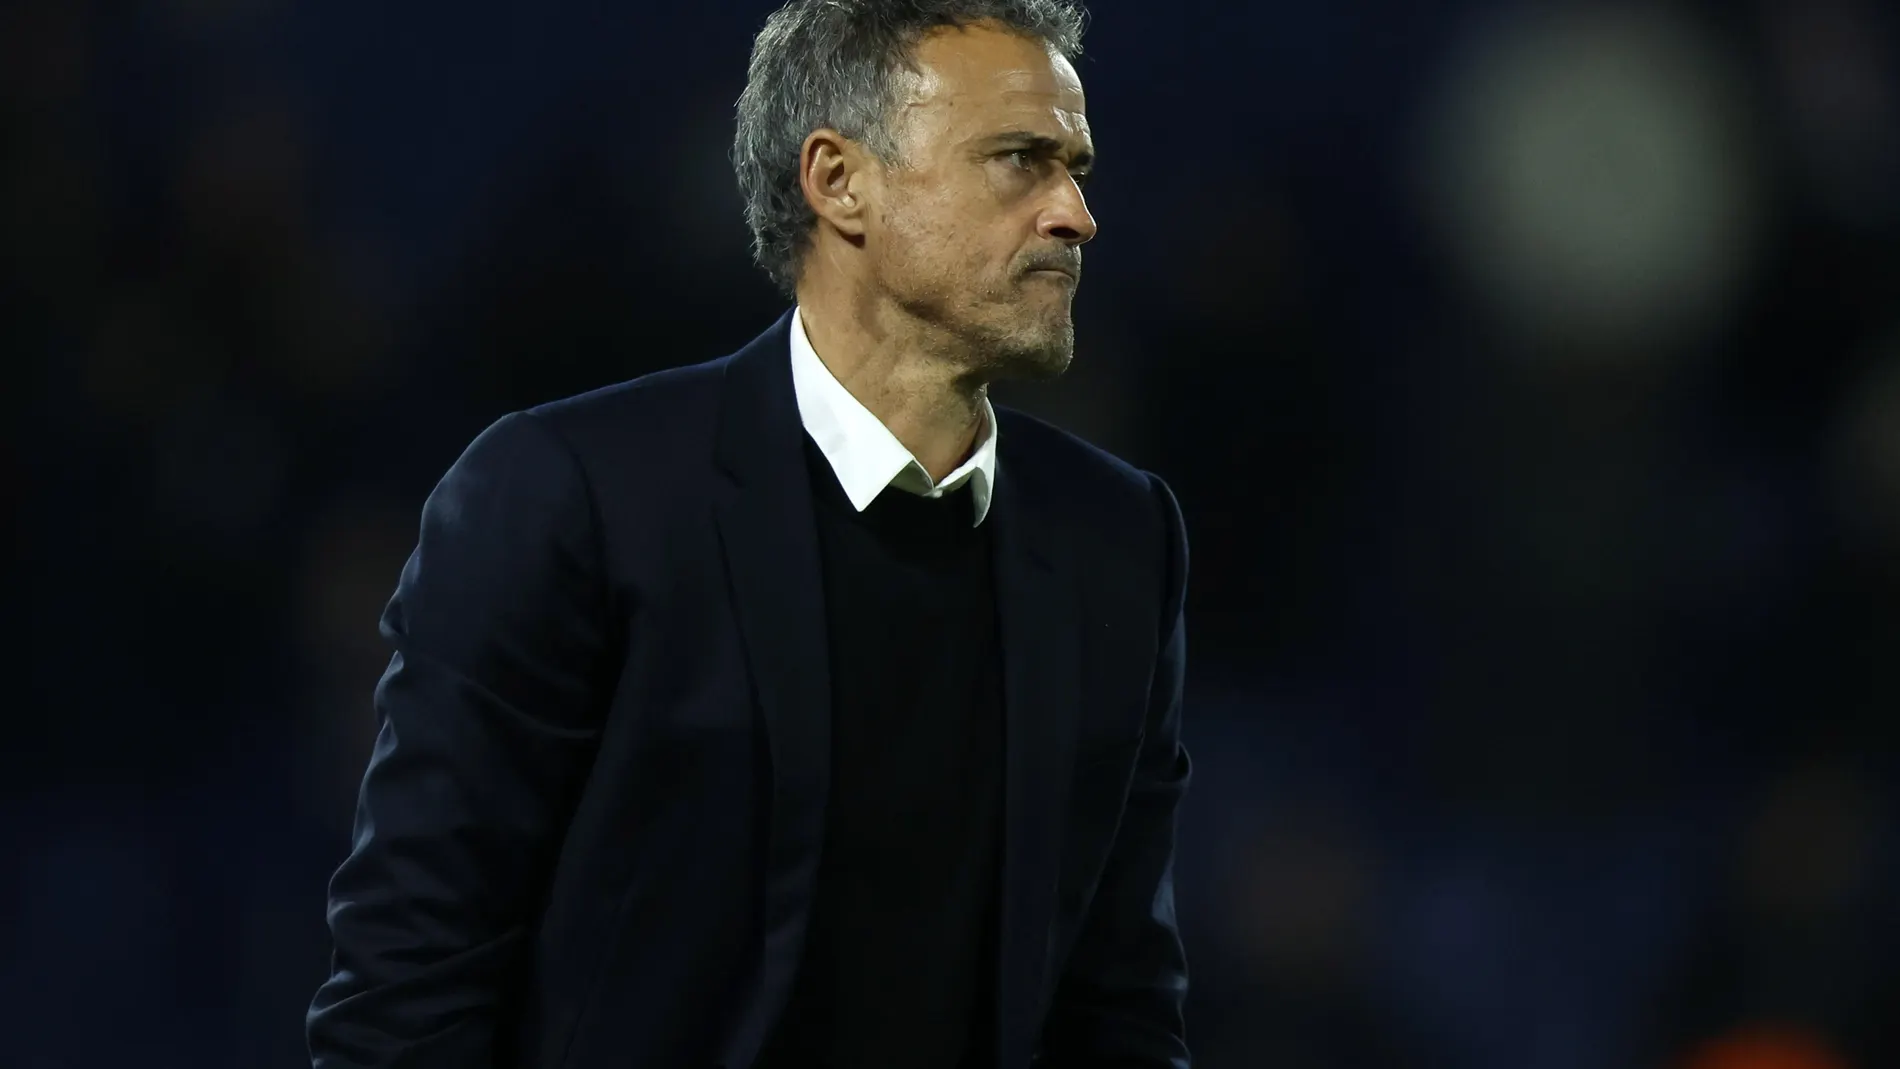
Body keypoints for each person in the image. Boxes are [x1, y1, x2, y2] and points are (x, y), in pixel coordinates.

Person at [306, 2, 1192, 1067]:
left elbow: (1120, 1004)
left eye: (1076, 167)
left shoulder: (1117, 539)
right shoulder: (570, 499)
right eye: (1019, 160)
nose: (1074, 215)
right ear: (837, 181)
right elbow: (410, 988)